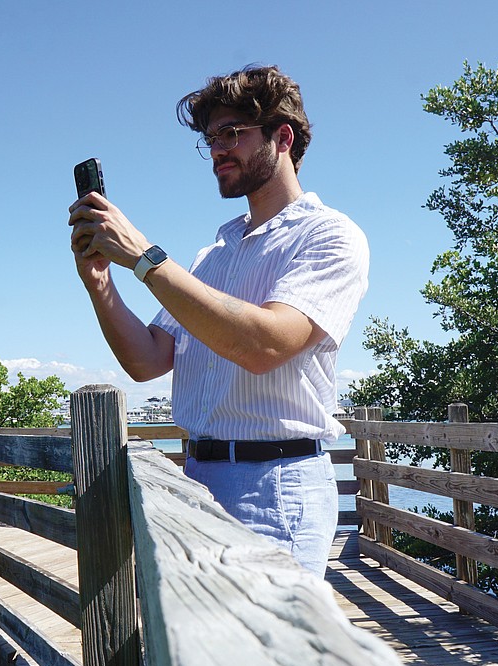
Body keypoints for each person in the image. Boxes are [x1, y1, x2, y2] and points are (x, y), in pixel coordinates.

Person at [67, 65, 369, 576]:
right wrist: (99, 281)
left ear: (283, 137)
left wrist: (144, 257)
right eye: (210, 138)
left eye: (231, 134)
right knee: (208, 648)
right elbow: (146, 361)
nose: (216, 151)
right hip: (198, 478)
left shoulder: (330, 236)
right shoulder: (213, 256)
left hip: (277, 484)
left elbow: (265, 346)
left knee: (268, 653)